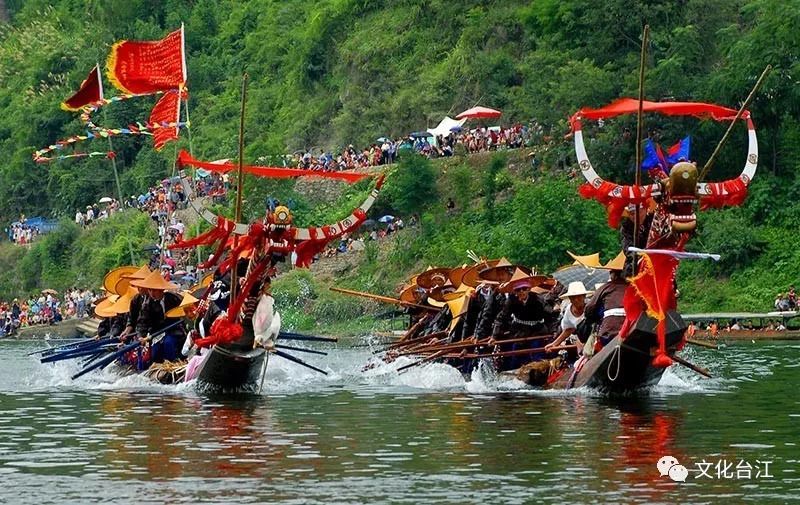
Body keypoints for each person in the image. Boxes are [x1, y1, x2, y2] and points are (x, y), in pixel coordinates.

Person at [129, 270, 185, 365]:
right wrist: (141, 336)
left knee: (169, 344)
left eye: (154, 290)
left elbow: (185, 309)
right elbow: (142, 323)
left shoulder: (174, 298)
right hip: (157, 333)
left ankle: (174, 363)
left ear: (161, 290)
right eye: (150, 290)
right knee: (155, 354)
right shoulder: (147, 305)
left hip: (174, 330)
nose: (151, 293)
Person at [583, 251, 627, 349]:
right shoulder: (635, 287)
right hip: (632, 331)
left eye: (610, 272)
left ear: (614, 274)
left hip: (609, 332)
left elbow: (589, 309)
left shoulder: (606, 287)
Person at [545, 281, 592, 353]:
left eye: (579, 296)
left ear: (584, 296)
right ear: (569, 298)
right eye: (573, 297)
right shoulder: (568, 310)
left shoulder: (591, 307)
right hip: (579, 342)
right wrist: (554, 344)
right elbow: (569, 329)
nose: (576, 300)